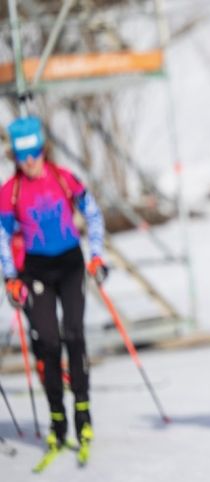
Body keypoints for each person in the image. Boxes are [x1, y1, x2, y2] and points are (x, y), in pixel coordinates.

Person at [0, 116, 106, 452]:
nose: (30, 161)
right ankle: (57, 418)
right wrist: (10, 278)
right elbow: (2, 235)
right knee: (47, 342)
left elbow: (93, 212)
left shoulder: (63, 177)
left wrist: (97, 255)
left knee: (74, 334)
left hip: (71, 263)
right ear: (14, 156)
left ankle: (82, 413)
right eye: (22, 155)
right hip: (36, 270)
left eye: (34, 153)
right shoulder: (10, 191)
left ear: (43, 149)